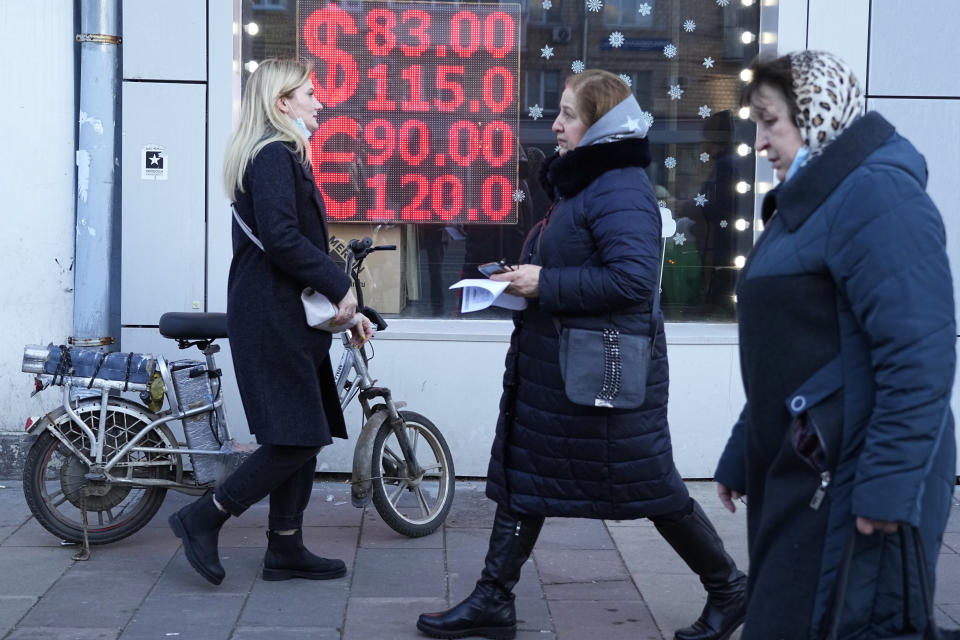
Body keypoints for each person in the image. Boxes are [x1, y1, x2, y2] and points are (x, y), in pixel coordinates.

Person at [417, 69, 746, 640]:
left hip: (603, 369)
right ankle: (493, 598)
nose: (556, 124)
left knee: (652, 487)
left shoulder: (619, 187)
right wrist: (523, 282)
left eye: (568, 113)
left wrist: (545, 284)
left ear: (598, 124)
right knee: (527, 480)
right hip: (559, 366)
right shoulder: (588, 184)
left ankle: (729, 587)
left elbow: (633, 282)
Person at [714, 50, 956, 639]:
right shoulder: (809, 205)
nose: (762, 143)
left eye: (771, 122)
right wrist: (743, 449)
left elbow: (919, 357)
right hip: (807, 469)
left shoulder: (877, 196)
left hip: (854, 477)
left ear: (817, 113)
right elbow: (794, 352)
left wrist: (887, 489)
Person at [167, 59, 373, 586]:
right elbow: (283, 239)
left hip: (284, 315)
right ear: (282, 103)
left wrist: (343, 308)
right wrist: (339, 286)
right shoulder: (274, 155)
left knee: (302, 431)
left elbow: (290, 242)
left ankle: (286, 547)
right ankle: (204, 516)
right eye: (309, 93)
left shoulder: (274, 155)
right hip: (273, 317)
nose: (319, 101)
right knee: (297, 437)